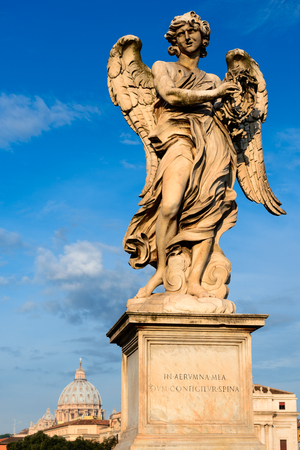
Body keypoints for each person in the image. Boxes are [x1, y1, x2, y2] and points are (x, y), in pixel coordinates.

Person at [123, 11, 240, 299]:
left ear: (204, 38)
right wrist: (214, 95)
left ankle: (195, 280)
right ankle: (163, 270)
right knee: (170, 205)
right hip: (178, 137)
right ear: (174, 40)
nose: (188, 36)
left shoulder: (213, 78)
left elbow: (227, 117)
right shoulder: (163, 67)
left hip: (213, 144)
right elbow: (170, 95)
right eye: (181, 33)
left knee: (210, 209)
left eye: (193, 31)